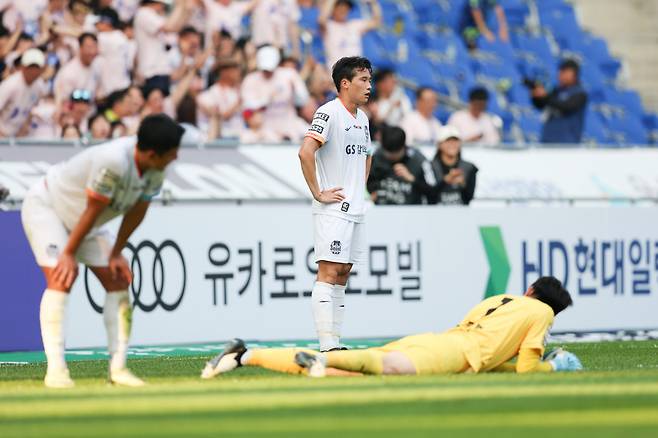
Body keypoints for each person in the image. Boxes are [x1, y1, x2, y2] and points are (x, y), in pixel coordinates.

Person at [21, 114, 184, 389]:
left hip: (87, 223)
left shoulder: (157, 169)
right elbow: (93, 208)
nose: (176, 157)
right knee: (62, 277)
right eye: (172, 152)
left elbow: (137, 211)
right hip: (48, 207)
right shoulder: (113, 160)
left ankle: (118, 369)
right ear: (154, 153)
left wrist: (116, 252)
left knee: (119, 278)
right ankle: (56, 371)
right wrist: (68, 253)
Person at [201, 276, 583, 378]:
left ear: (529, 289)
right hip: (453, 353)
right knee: (380, 367)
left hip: (439, 342)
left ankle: (244, 355)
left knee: (347, 373)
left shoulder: (502, 299)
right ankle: (320, 360)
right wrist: (555, 366)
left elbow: (490, 357)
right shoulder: (541, 313)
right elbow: (527, 368)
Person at [297, 56, 373, 352]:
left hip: (355, 208)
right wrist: (318, 192)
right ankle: (327, 345)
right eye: (363, 80)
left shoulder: (363, 118)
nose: (369, 87)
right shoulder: (328, 113)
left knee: (343, 274)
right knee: (329, 272)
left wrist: (360, 189)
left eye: (369, 80)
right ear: (345, 83)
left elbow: (367, 155)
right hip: (334, 209)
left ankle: (335, 342)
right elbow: (306, 152)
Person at [241, 45, 309, 141]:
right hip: (265, 125)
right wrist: (267, 99)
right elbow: (248, 105)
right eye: (265, 69)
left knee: (311, 136)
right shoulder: (250, 80)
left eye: (270, 69)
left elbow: (302, 101)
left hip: (289, 121)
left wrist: (295, 91)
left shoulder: (290, 74)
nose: (268, 72)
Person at [367, 126, 437, 205]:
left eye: (395, 153)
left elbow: (433, 191)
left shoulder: (419, 160)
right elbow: (366, 183)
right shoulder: (376, 158)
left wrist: (412, 179)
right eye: (388, 153)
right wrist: (372, 192)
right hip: (381, 211)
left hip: (412, 211)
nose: (391, 156)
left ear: (404, 146)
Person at [530, 59, 588, 144]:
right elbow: (541, 106)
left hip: (567, 143)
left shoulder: (580, 93)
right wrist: (536, 96)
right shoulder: (556, 91)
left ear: (574, 74)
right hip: (547, 141)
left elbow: (566, 107)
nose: (561, 75)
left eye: (565, 72)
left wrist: (545, 96)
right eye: (560, 72)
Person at [319, 0, 381, 70]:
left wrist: (373, 3)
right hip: (336, 72)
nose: (343, 10)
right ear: (333, 9)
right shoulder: (329, 26)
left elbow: (376, 22)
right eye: (340, 7)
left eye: (346, 8)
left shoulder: (354, 25)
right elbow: (322, 19)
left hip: (355, 71)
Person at [0, 48, 47, 137]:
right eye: (31, 67)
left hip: (18, 134)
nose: (33, 71)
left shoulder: (39, 86)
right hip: (2, 133)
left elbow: (31, 108)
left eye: (37, 67)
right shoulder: (10, 85)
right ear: (23, 67)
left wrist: (25, 127)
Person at [430, 126, 478, 205]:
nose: (452, 144)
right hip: (436, 213)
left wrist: (463, 184)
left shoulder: (470, 167)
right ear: (439, 144)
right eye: (448, 141)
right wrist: (446, 180)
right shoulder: (429, 167)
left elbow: (469, 198)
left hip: (460, 214)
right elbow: (429, 195)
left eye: (455, 141)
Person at [53, 32, 100, 109]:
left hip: (90, 112)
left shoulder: (96, 65)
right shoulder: (69, 72)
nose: (92, 51)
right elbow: (63, 103)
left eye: (94, 47)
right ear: (80, 48)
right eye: (89, 47)